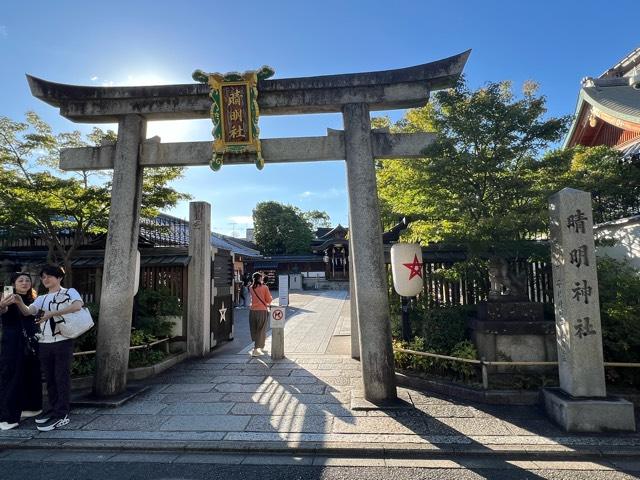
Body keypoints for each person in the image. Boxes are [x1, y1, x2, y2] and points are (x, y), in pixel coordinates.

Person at [15, 265, 83, 432]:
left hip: (62, 340)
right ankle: (53, 409)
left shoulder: (69, 292)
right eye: (43, 277)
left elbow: (77, 306)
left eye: (49, 276)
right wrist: (18, 301)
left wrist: (51, 314)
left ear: (59, 278)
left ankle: (62, 413)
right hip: (44, 343)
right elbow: (28, 312)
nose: (45, 279)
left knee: (61, 377)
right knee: (50, 378)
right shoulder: (41, 298)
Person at [0, 272, 43, 430]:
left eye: (27, 280)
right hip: (13, 341)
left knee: (31, 373)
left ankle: (31, 407)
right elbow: (2, 311)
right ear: (13, 283)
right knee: (12, 375)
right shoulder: (7, 296)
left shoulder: (34, 298)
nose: (25, 283)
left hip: (32, 341)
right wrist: (3, 304)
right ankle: (7, 417)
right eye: (20, 280)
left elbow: (35, 315)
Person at [248, 272, 272, 356]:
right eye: (261, 278)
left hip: (252, 311)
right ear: (259, 278)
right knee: (261, 330)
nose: (262, 279)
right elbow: (269, 300)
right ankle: (255, 349)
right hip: (262, 311)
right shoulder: (265, 287)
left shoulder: (251, 287)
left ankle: (261, 346)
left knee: (254, 329)